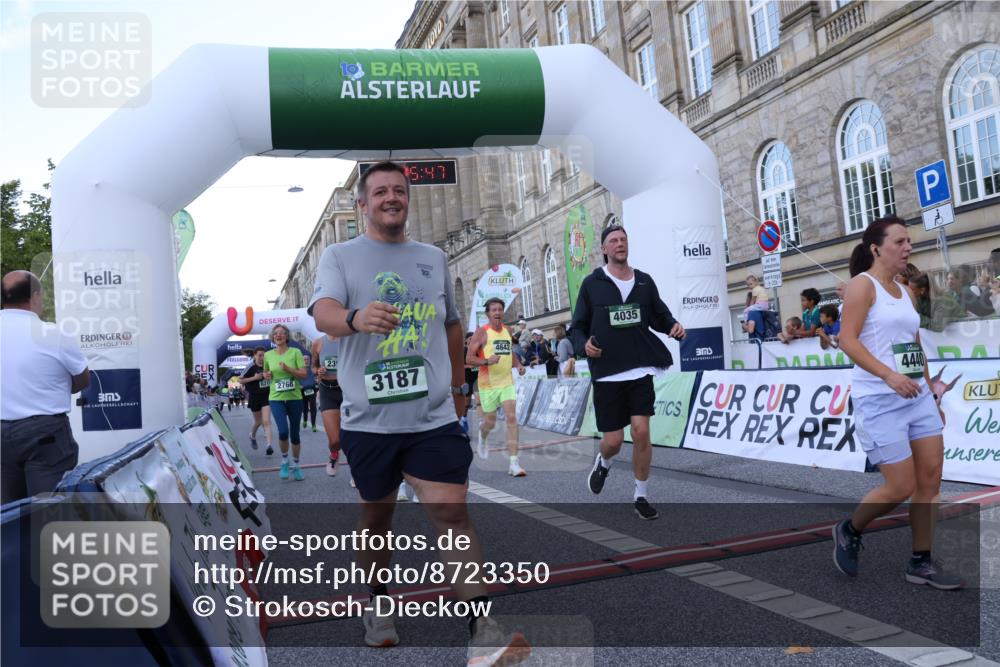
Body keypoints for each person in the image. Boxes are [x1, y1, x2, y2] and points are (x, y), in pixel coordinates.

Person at [308, 160, 529, 663]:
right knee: (376, 520)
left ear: (408, 199)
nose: (392, 197)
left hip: (431, 417)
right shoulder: (340, 256)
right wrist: (353, 317)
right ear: (363, 204)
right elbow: (321, 312)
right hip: (368, 419)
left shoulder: (432, 257)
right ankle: (380, 604)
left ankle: (483, 632)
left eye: (400, 190)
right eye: (381, 191)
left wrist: (456, 386)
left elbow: (453, 327)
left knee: (452, 512)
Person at [833, 216, 962, 589]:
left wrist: (930, 390)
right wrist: (888, 376)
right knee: (900, 485)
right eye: (900, 241)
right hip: (879, 399)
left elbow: (913, 345)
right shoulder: (862, 286)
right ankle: (850, 528)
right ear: (876, 248)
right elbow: (849, 341)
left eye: (909, 241)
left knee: (930, 480)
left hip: (916, 397)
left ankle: (921, 561)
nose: (908, 247)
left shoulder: (904, 292)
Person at [569, 225, 685, 521]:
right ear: (604, 249)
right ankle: (604, 463)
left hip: (639, 367)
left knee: (642, 431)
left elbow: (659, 315)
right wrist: (585, 346)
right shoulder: (592, 283)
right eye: (613, 241)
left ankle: (641, 495)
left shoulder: (644, 281)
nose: (620, 244)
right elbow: (577, 327)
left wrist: (672, 326)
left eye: (623, 240)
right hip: (607, 372)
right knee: (613, 441)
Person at [1, 271, 90, 503]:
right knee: (49, 510)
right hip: (45, 433)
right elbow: (83, 379)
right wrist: (60, 387)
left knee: (8, 513)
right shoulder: (54, 334)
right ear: (36, 297)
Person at [467, 297, 528, 475]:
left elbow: (509, 353)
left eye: (500, 309)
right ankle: (483, 434)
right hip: (487, 384)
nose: (497, 313)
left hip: (506, 382)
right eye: (494, 310)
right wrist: (486, 360)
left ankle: (514, 463)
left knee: (511, 418)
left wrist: (518, 365)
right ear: (488, 314)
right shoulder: (481, 333)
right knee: (490, 422)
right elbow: (469, 358)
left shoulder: (508, 330)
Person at [262, 325, 308, 481]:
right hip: (276, 398)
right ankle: (284, 462)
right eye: (276, 333)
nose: (278, 335)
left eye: (282, 333)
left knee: (295, 434)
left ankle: (296, 465)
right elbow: (266, 373)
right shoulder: (268, 355)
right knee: (283, 432)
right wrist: (266, 375)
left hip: (295, 398)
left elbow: (303, 374)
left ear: (287, 336)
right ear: (273, 337)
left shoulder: (295, 352)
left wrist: (288, 369)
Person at [312, 334, 347, 479]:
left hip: (347, 389)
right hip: (327, 390)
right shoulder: (318, 343)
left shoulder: (348, 339)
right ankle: (334, 454)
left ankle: (357, 469)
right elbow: (313, 367)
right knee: (335, 440)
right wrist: (318, 370)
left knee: (355, 435)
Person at [239, 348, 273, 453]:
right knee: (258, 421)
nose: (262, 358)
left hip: (267, 395)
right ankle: (252, 436)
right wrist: (254, 378)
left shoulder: (269, 365)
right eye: (260, 355)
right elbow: (240, 380)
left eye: (264, 355)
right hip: (254, 396)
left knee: (266, 421)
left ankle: (269, 446)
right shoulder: (250, 366)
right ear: (255, 355)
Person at [301, 353, 319, 432]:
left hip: (312, 389)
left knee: (313, 407)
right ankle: (305, 420)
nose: (306, 361)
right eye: (304, 359)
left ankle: (313, 425)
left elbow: (317, 375)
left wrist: (317, 382)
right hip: (302, 390)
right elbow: (296, 378)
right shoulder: (300, 369)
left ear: (309, 360)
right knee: (304, 407)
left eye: (307, 359)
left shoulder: (312, 369)